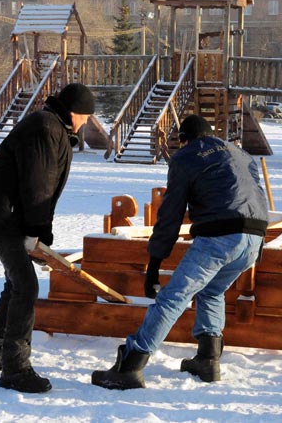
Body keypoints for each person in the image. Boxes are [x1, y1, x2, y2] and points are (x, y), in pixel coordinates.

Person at [92, 115, 269, 390]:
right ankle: (208, 360)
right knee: (211, 291)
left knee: (174, 296)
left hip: (219, 237)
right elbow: (256, 197)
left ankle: (130, 365)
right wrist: (258, 244)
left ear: (185, 140)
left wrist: (154, 262)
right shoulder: (241, 153)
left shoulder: (186, 156)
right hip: (255, 237)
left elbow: (170, 213)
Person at [0, 83, 95, 393]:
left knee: (16, 284)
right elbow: (37, 185)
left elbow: (42, 186)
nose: (86, 123)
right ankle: (15, 368)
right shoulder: (45, 127)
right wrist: (39, 231)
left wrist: (38, 231)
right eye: (86, 116)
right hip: (5, 217)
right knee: (26, 286)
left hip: (7, 216)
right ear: (75, 112)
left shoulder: (51, 127)